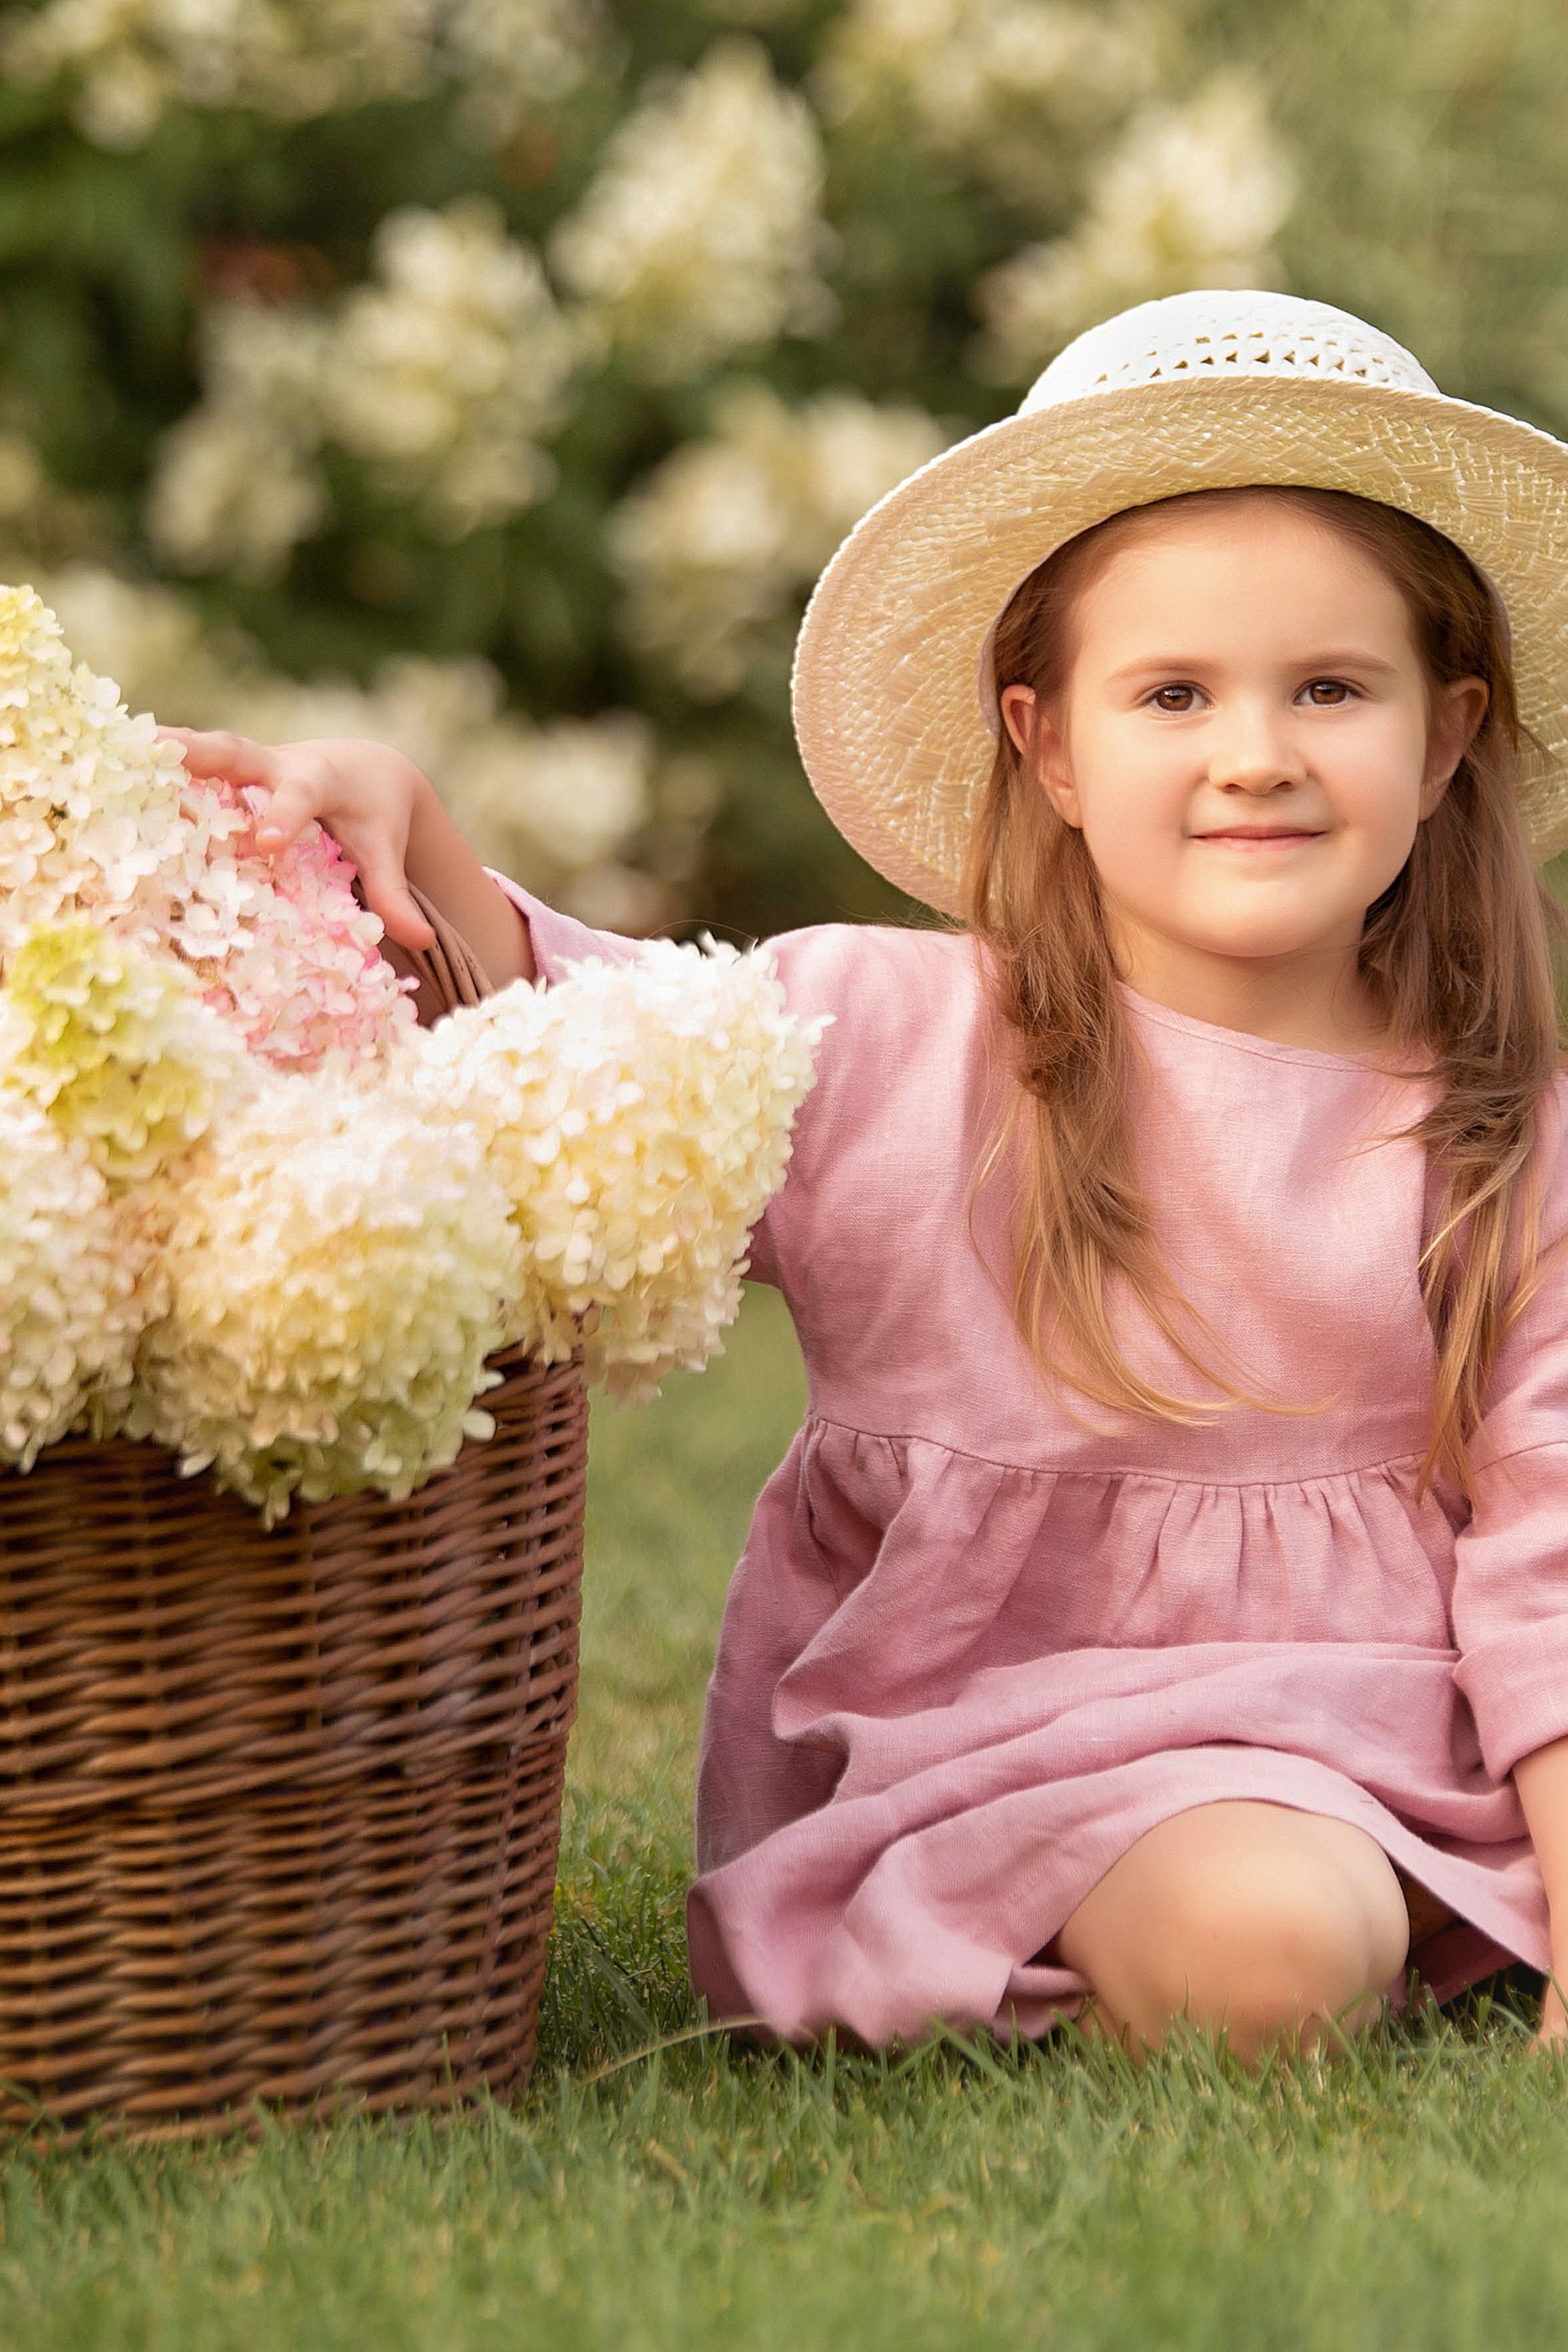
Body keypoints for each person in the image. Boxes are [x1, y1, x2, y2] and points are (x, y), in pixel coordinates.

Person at [166, 289, 1568, 2063]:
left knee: (1306, 1915)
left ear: (1444, 741)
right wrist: (409, 814)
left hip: (1383, 1731)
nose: (1256, 754)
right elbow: (586, 1032)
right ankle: (1167, 1915)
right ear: (1048, 742)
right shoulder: (889, 1036)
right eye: (1173, 692)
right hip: (985, 1732)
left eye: (1330, 689)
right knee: (1275, 1954)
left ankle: (1429, 1901)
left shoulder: (1504, 1132)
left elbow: (1552, 1542)